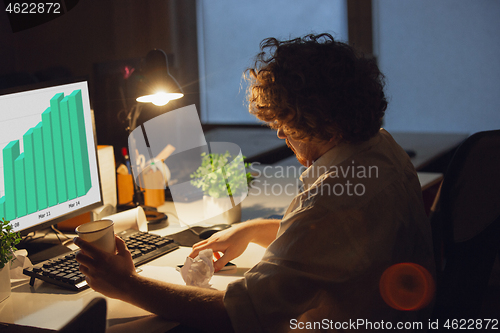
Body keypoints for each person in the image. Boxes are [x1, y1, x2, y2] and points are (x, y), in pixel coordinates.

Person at [75, 33, 435, 332]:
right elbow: (339, 244)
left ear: (326, 122)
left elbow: (237, 313)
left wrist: (126, 284)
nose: (280, 133)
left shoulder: (332, 202)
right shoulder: (380, 147)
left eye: (288, 124)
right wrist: (252, 230)